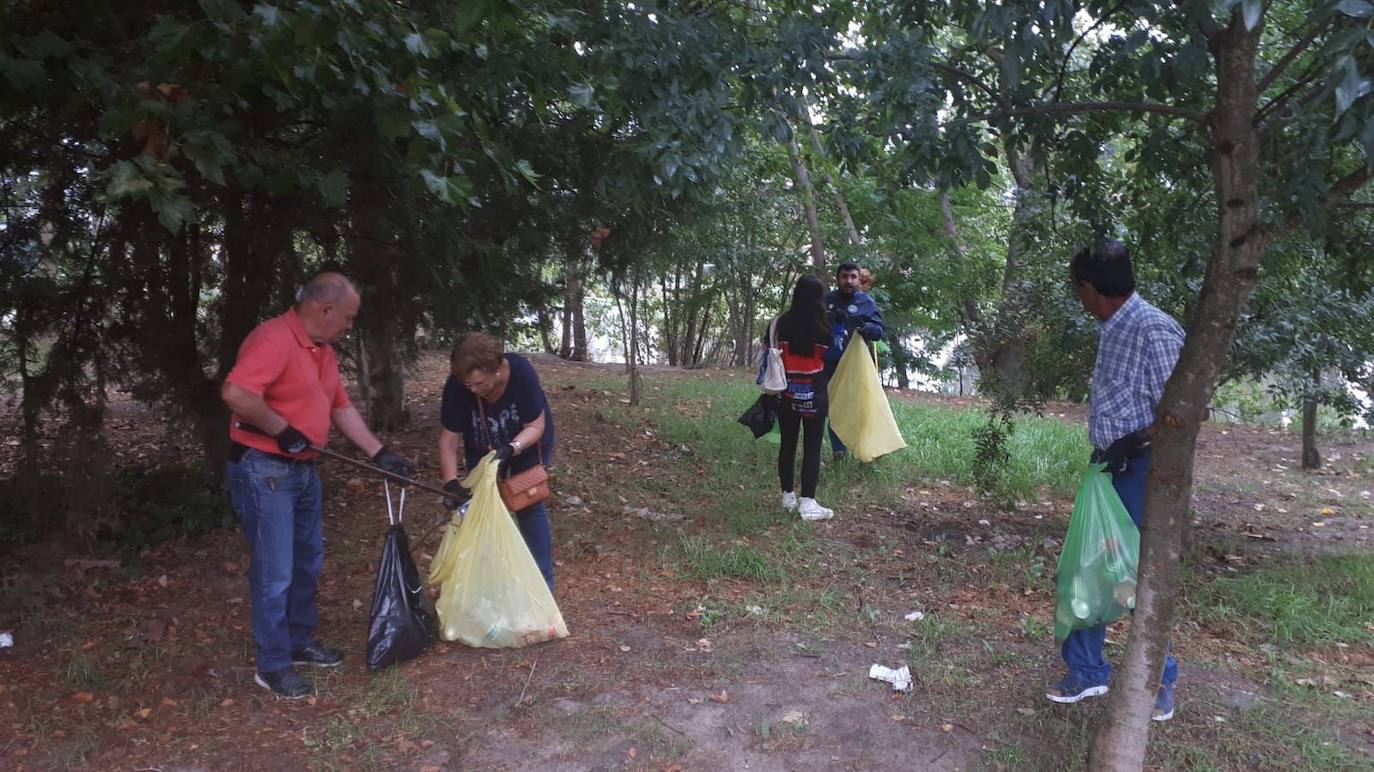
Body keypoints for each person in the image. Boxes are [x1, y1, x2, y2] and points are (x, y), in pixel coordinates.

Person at [222, 272, 414, 700]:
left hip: (303, 470)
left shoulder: (321, 349)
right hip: (265, 468)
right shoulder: (273, 339)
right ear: (324, 309)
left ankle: (299, 641)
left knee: (308, 559)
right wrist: (279, 427)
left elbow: (339, 407)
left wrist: (378, 453)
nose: (350, 325)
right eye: (347, 317)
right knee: (276, 572)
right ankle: (272, 665)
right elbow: (236, 392)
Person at [1047, 240, 1184, 722]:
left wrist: (1136, 441)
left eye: (1077, 289)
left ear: (1090, 287)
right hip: (1109, 466)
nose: (1078, 298)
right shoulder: (1112, 325)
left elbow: (1184, 412)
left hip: (1143, 470)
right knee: (1090, 567)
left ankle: (1160, 678)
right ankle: (1088, 671)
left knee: (1138, 575)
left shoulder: (1153, 328)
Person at [437, 333, 557, 588]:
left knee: (528, 507)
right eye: (468, 385)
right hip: (481, 449)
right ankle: (491, 584)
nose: (474, 390)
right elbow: (449, 439)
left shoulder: (521, 374)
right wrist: (451, 482)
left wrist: (511, 449)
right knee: (481, 511)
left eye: (479, 383)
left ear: (497, 370)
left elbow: (536, 425)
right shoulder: (458, 386)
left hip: (524, 444)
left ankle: (542, 584)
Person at [769, 275, 835, 521]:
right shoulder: (825, 328)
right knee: (812, 447)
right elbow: (830, 360)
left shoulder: (779, 324)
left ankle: (787, 497)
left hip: (786, 394)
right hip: (814, 395)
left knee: (787, 445)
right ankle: (808, 503)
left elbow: (769, 354)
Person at [824, 261, 885, 458]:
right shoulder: (827, 300)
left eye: (853, 277)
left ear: (859, 279)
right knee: (832, 406)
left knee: (857, 406)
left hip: (855, 365)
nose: (848, 281)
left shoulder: (866, 303)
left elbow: (878, 330)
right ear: (837, 278)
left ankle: (864, 448)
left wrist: (869, 329)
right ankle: (838, 450)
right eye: (844, 276)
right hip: (828, 363)